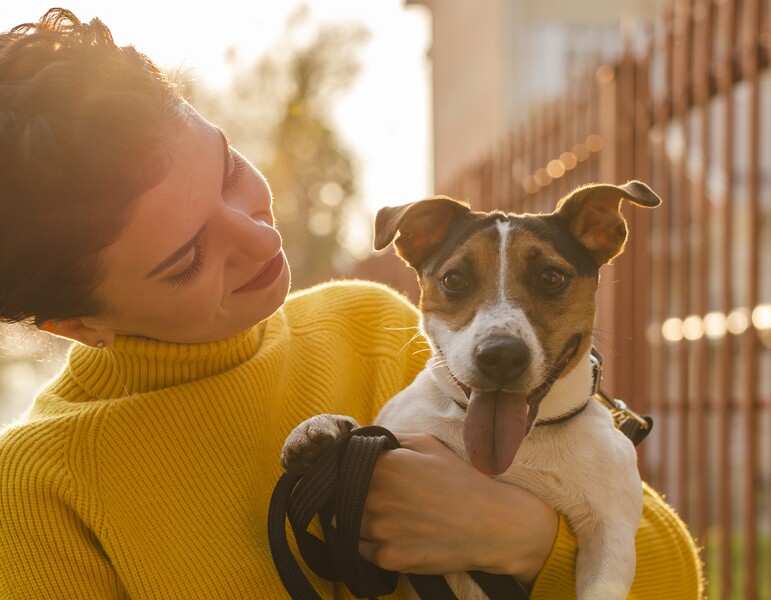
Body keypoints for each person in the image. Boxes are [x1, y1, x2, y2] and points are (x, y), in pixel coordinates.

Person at [0, 8, 702, 599]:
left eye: (228, 171)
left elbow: (672, 578)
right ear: (79, 324)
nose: (253, 234)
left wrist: (520, 538)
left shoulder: (373, 326)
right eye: (187, 258)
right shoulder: (38, 490)